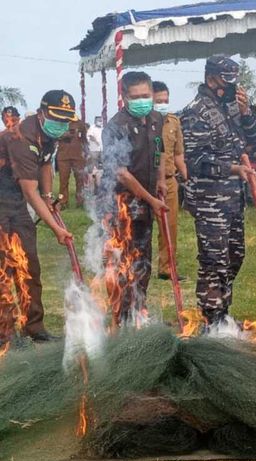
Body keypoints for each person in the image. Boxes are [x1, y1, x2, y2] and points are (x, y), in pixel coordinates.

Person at [181, 56, 256, 329]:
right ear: (211, 77)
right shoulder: (196, 111)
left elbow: (253, 139)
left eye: (234, 79)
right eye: (226, 79)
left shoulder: (229, 108)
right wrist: (231, 169)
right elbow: (196, 161)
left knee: (235, 256)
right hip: (209, 198)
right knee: (213, 258)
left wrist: (247, 112)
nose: (231, 85)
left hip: (233, 198)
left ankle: (223, 311)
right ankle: (211, 317)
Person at [0, 90, 76, 346]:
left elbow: (45, 164)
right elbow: (29, 191)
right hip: (5, 198)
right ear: (42, 113)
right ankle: (3, 332)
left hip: (15, 202)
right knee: (3, 266)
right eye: (57, 118)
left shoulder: (50, 135)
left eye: (66, 119)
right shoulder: (21, 137)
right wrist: (56, 229)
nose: (62, 124)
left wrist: (49, 195)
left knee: (29, 263)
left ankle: (34, 327)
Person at [101, 71, 166, 326]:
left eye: (146, 96)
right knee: (121, 261)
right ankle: (121, 313)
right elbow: (122, 173)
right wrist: (151, 199)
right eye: (136, 97)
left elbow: (159, 151)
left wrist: (160, 179)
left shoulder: (156, 119)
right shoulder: (115, 127)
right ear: (125, 96)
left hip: (147, 202)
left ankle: (139, 307)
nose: (142, 100)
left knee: (142, 259)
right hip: (120, 205)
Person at [152, 81, 187, 281]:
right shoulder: (145, 122)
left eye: (166, 100)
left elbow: (178, 154)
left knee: (169, 226)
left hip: (169, 181)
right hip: (146, 183)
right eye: (159, 101)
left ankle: (167, 267)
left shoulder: (174, 121)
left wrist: (186, 177)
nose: (163, 104)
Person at [56, 118, 88, 208]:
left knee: (80, 180)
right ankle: (63, 202)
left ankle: (81, 202)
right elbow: (55, 136)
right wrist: (64, 135)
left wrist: (86, 153)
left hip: (78, 156)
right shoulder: (59, 122)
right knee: (63, 181)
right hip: (63, 156)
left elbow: (84, 139)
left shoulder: (80, 123)